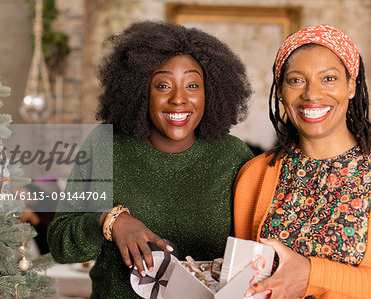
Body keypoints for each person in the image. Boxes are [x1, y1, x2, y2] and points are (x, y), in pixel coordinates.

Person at [47, 21, 254, 298]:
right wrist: (109, 222)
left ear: (211, 93)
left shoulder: (232, 156)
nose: (179, 99)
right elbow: (60, 245)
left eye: (192, 85)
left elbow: (256, 253)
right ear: (140, 91)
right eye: (163, 85)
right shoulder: (105, 145)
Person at [234, 25, 371, 299]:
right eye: (296, 80)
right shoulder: (255, 174)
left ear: (351, 87)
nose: (312, 94)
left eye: (329, 78)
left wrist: (310, 274)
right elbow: (241, 278)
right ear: (281, 91)